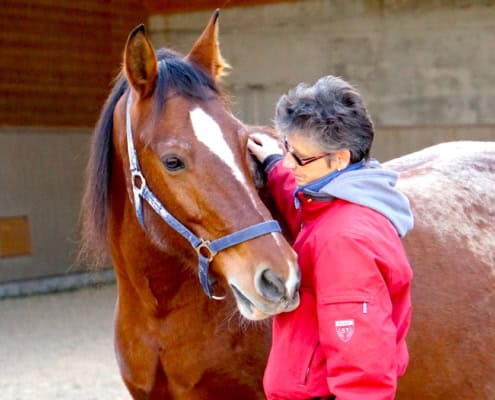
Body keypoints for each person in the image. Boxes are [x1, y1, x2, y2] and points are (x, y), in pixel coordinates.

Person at [247, 75, 414, 400]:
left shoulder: (345, 242)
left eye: (299, 157)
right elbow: (309, 213)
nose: (288, 162)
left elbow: (363, 373)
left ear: (339, 158)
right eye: (286, 149)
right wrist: (273, 165)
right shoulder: (341, 203)